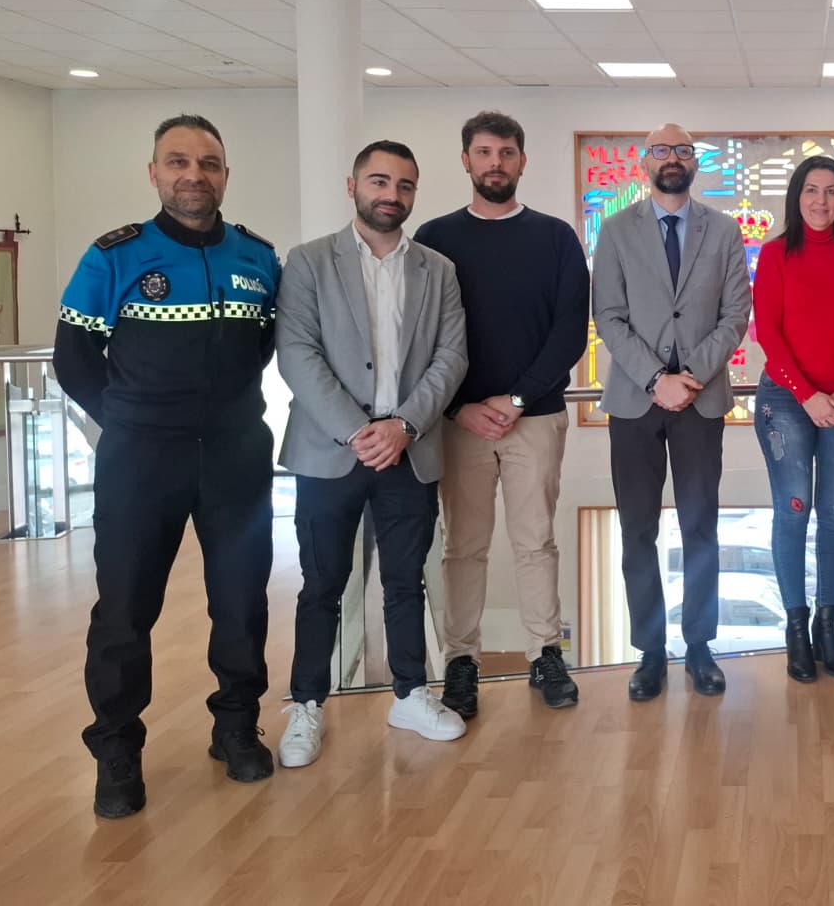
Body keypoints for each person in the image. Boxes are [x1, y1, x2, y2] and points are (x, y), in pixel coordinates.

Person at [54, 114, 281, 819]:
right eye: (178, 162)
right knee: (125, 611)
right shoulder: (113, 256)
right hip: (141, 460)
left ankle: (236, 725)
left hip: (237, 455)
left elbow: (266, 347)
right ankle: (117, 750)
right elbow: (73, 357)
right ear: (154, 173)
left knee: (241, 601)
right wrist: (130, 421)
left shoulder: (256, 257)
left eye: (208, 163)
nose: (194, 174)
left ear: (225, 175)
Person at [274, 141, 470, 767]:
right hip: (332, 452)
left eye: (405, 186)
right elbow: (297, 354)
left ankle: (410, 693)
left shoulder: (437, 269)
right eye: (380, 181)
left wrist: (404, 426)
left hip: (407, 451)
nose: (392, 195)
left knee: (405, 581)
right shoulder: (308, 263)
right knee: (322, 585)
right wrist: (359, 431)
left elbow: (452, 357)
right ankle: (306, 705)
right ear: (352, 184)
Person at [414, 112, 590, 715]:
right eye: (484, 152)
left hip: (534, 417)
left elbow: (570, 331)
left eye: (506, 152)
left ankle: (546, 653)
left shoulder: (555, 237)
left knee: (535, 541)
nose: (496, 163)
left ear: (522, 161)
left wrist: (515, 400)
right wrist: (462, 406)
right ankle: (462, 662)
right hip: (457, 423)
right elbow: (422, 335)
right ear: (465, 160)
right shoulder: (434, 239)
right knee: (463, 547)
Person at [592, 124, 751, 701]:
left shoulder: (725, 230)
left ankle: (701, 645)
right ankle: (651, 650)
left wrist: (691, 378)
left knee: (700, 524)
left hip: (701, 400)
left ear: (694, 163)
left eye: (683, 151)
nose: (672, 159)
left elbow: (735, 314)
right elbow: (608, 315)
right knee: (638, 528)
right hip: (636, 401)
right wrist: (657, 380)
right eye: (661, 150)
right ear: (644, 163)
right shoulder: (615, 231)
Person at [752, 155, 834, 683]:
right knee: (794, 511)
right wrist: (808, 395)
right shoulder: (776, 253)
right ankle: (797, 629)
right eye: (811, 190)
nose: (821, 201)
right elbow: (769, 332)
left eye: (831, 191)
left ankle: (829, 626)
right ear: (797, 197)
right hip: (786, 402)